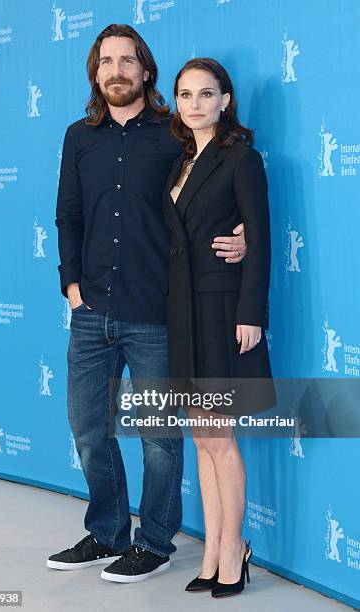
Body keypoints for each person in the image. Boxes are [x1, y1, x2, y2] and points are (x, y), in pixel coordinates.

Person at [49, 24, 247, 583]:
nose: (117, 70)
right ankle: (108, 531)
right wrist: (71, 284)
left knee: (160, 437)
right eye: (106, 61)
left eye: (127, 61)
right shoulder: (77, 137)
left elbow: (215, 186)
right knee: (89, 428)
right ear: (96, 72)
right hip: (91, 310)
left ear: (145, 70)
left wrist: (247, 235)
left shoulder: (174, 133)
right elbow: (69, 214)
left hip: (157, 312)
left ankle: (155, 541)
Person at [163, 57, 275, 597]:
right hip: (183, 314)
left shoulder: (241, 159)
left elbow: (261, 237)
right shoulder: (180, 164)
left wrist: (252, 311)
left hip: (222, 310)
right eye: (185, 95)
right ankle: (211, 549)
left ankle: (234, 549)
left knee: (220, 437)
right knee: (202, 437)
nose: (195, 104)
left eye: (206, 94)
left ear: (225, 100)